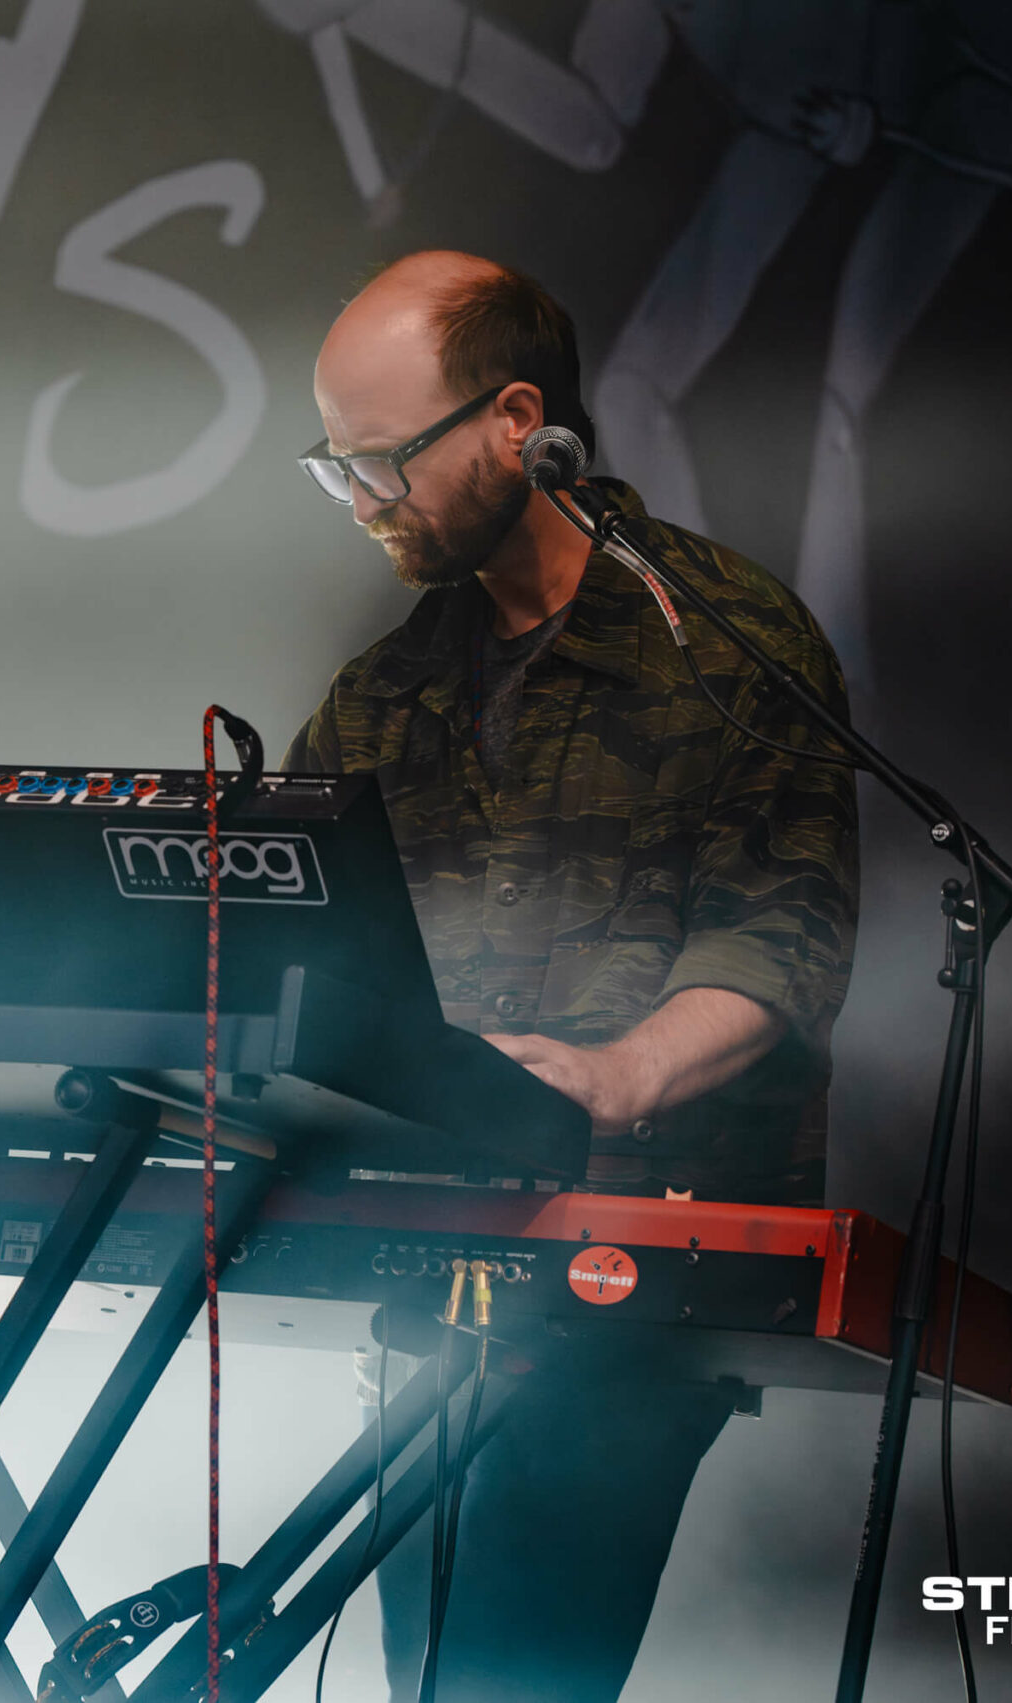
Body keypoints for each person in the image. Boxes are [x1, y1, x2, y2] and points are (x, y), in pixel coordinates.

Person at [283, 251, 860, 1702]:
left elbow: (786, 930)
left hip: (635, 1281)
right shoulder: (378, 697)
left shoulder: (730, 646)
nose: (360, 499)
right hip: (430, 1268)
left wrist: (616, 1075)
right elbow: (297, 937)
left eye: (381, 461)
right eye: (332, 466)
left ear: (515, 422)